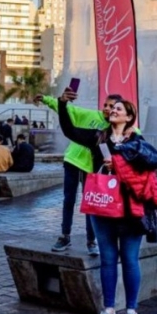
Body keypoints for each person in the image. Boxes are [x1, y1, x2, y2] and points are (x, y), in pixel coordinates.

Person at [57, 92, 157, 314]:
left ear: (129, 117)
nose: (113, 110)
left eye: (119, 108)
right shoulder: (98, 137)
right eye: (111, 108)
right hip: (103, 206)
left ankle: (131, 311)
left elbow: (154, 159)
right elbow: (69, 130)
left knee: (129, 260)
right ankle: (108, 311)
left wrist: (120, 158)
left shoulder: (136, 141)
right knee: (107, 260)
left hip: (130, 209)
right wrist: (62, 103)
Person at [35, 90, 124, 256]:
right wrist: (48, 99)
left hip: (90, 169)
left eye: (111, 106)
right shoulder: (90, 116)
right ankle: (65, 236)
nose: (106, 108)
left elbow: (134, 135)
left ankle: (91, 240)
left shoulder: (114, 128)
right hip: (73, 161)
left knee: (90, 202)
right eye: (105, 105)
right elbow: (68, 111)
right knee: (69, 199)